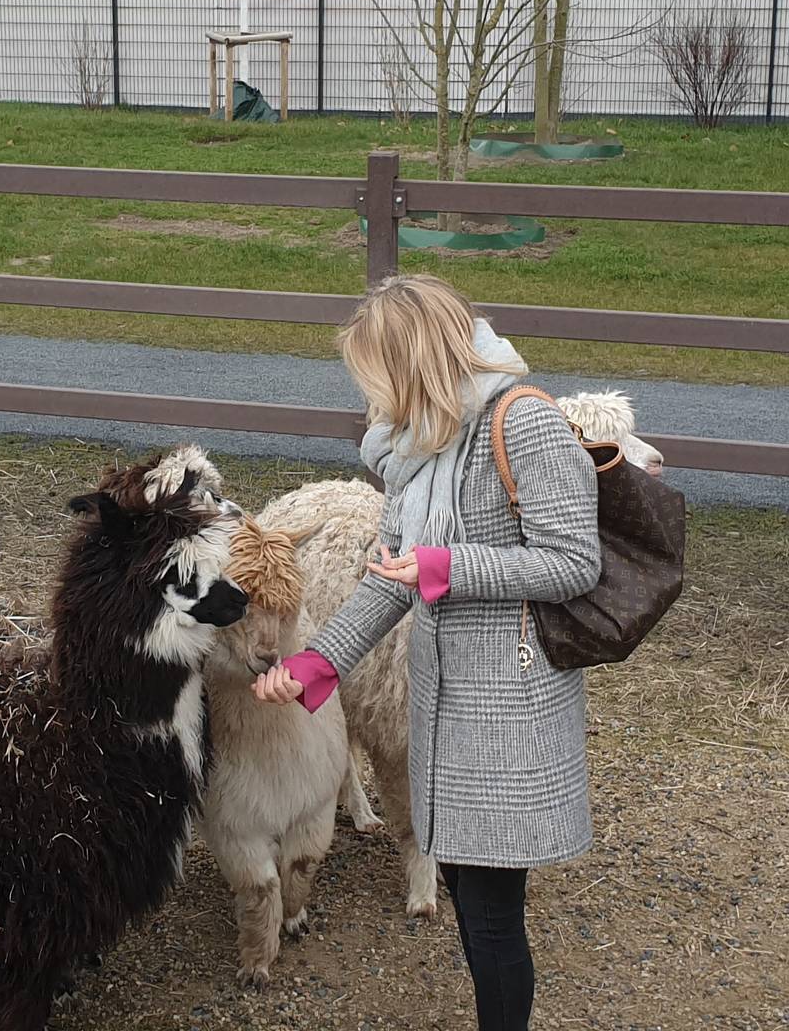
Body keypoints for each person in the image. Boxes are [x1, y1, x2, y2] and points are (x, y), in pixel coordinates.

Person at [250, 274, 599, 1031]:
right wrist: (317, 667)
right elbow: (387, 584)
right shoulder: (417, 449)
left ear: (415, 362)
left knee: (495, 913)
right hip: (442, 702)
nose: (371, 397)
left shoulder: (523, 423)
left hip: (508, 709)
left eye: (376, 376)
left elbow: (576, 561)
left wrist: (451, 568)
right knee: (475, 899)